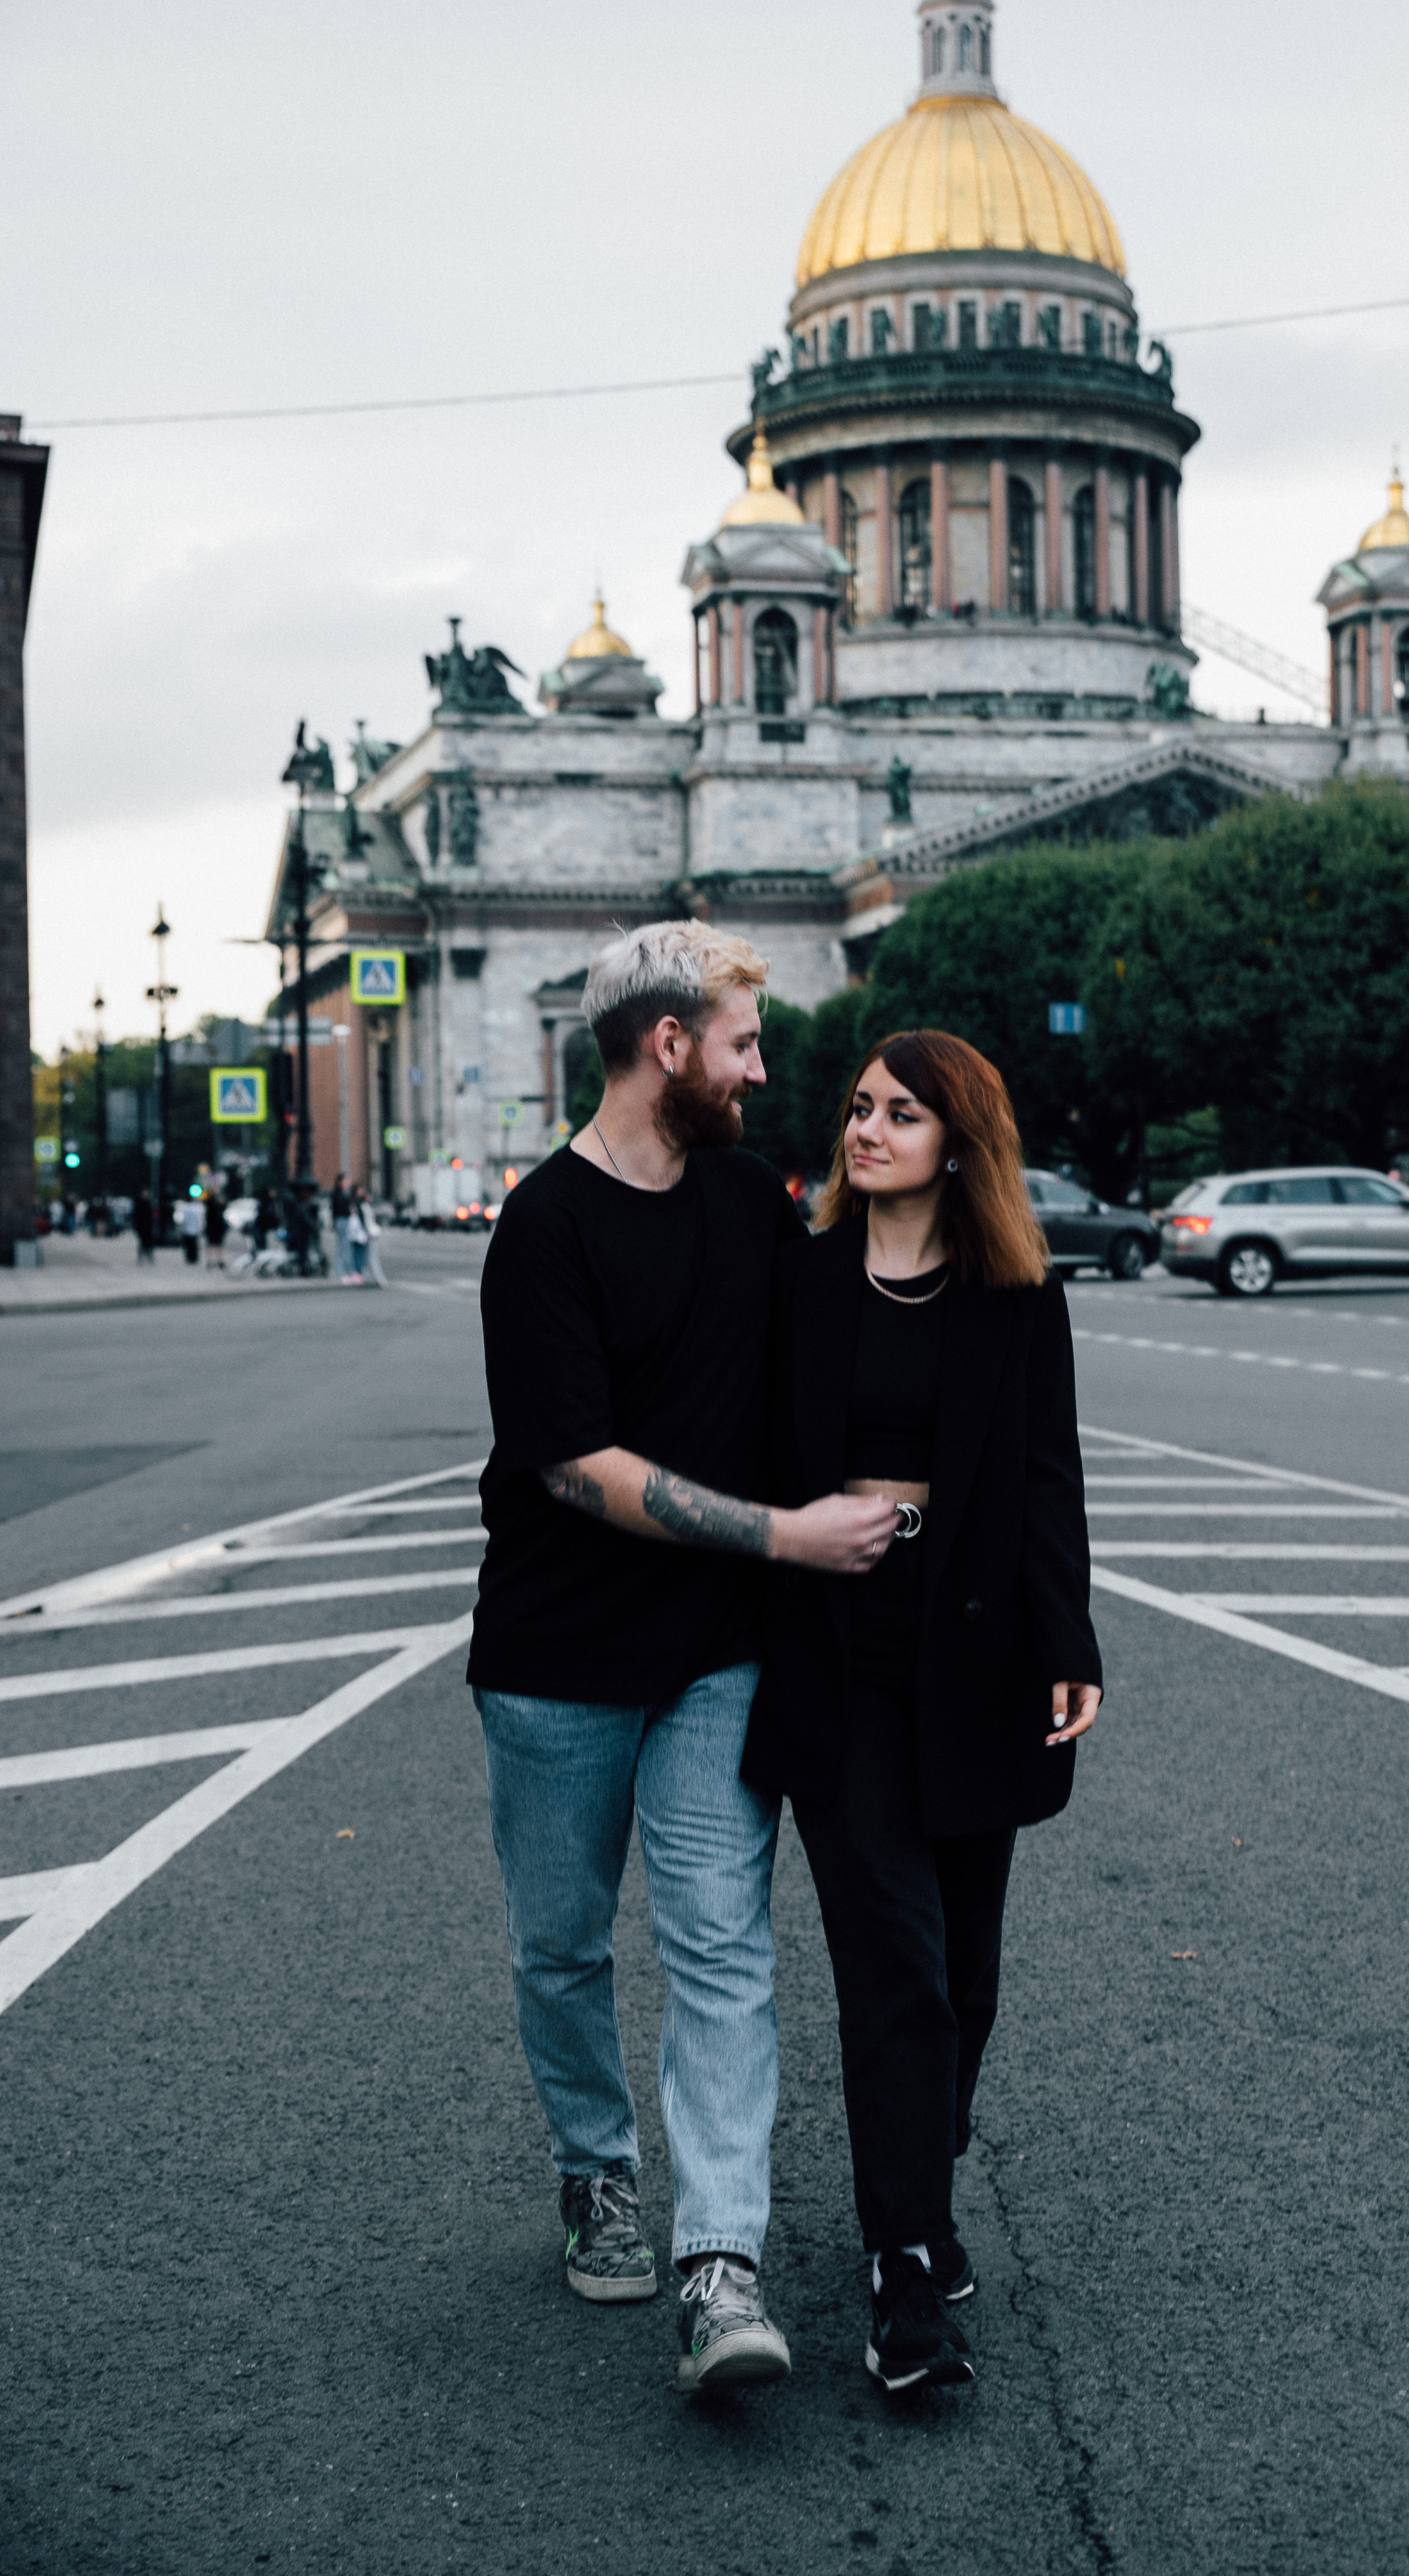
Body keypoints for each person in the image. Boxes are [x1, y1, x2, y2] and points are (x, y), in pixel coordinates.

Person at [468, 920, 898, 2397]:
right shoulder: (543, 1229)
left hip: (717, 1654)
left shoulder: (745, 1197)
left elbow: (830, 1337)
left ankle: (721, 2264)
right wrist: (787, 1536)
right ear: (668, 1046)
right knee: (562, 1944)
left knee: (721, 1945)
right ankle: (596, 2170)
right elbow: (576, 1467)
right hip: (557, 1661)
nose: (760, 1072)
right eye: (741, 1044)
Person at [743, 1031, 1103, 2397]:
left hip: (977, 1661)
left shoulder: (1016, 1295)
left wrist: (1069, 1641)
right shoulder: (803, 1282)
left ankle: (922, 2178)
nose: (868, 1129)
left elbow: (1046, 1478)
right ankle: (904, 2261)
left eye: (901, 1112)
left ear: (959, 1140)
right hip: (838, 1661)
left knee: (964, 1975)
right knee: (893, 1959)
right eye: (859, 1108)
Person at [356, 1187, 387, 1287]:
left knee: (367, 1257)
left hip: (368, 1234)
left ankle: (366, 1277)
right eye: (369, 1195)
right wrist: (370, 1234)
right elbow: (367, 1222)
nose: (371, 1197)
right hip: (370, 1234)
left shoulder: (365, 1206)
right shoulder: (365, 1207)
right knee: (373, 1257)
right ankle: (379, 1279)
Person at [204, 1187, 229, 1271]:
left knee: (219, 1244)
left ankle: (220, 1260)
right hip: (212, 1225)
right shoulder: (211, 1201)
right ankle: (211, 1261)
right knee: (212, 1244)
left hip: (217, 1226)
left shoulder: (220, 1202)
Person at [131, 1188, 156, 1264]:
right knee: (142, 1241)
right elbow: (136, 1215)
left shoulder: (149, 1203)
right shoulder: (139, 1203)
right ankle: (142, 1256)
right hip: (141, 1226)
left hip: (148, 1226)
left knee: (149, 1241)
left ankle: (149, 1255)